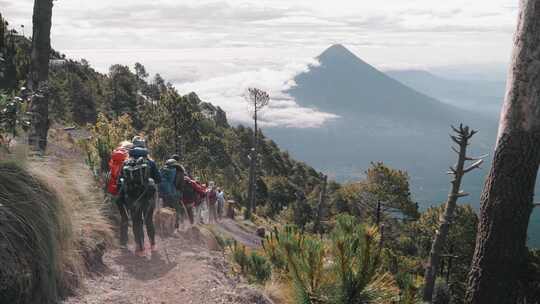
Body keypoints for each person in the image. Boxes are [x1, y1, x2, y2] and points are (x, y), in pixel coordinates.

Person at [118, 136, 161, 257]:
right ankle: (152, 244)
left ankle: (140, 248)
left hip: (132, 197)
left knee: (136, 222)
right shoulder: (150, 162)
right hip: (147, 197)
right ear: (144, 147)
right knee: (148, 220)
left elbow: (120, 180)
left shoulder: (126, 162)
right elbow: (158, 179)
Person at [106, 141, 131, 247]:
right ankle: (124, 240)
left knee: (122, 216)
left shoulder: (112, 164)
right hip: (125, 194)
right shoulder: (126, 165)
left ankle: (122, 240)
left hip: (114, 193)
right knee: (126, 217)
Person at [159, 159, 184, 230]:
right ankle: (175, 227)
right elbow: (180, 185)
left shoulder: (163, 170)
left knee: (165, 209)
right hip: (175, 194)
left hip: (165, 194)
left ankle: (164, 227)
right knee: (176, 210)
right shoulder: (180, 172)